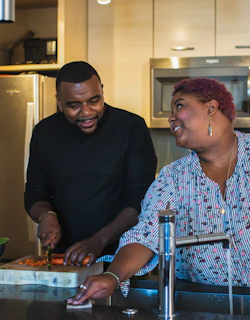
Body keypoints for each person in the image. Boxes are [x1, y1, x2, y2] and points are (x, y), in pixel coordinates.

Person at [67, 77, 250, 305]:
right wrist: (114, 276)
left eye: (179, 106)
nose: (171, 118)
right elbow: (146, 235)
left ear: (212, 107)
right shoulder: (173, 178)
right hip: (200, 302)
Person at [24, 61, 157, 266]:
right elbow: (35, 192)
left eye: (94, 101)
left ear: (102, 91)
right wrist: (45, 216)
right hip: (65, 257)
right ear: (60, 102)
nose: (86, 112)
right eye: (74, 105)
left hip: (124, 258)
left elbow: (141, 200)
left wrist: (98, 241)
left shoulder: (131, 128)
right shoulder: (45, 132)